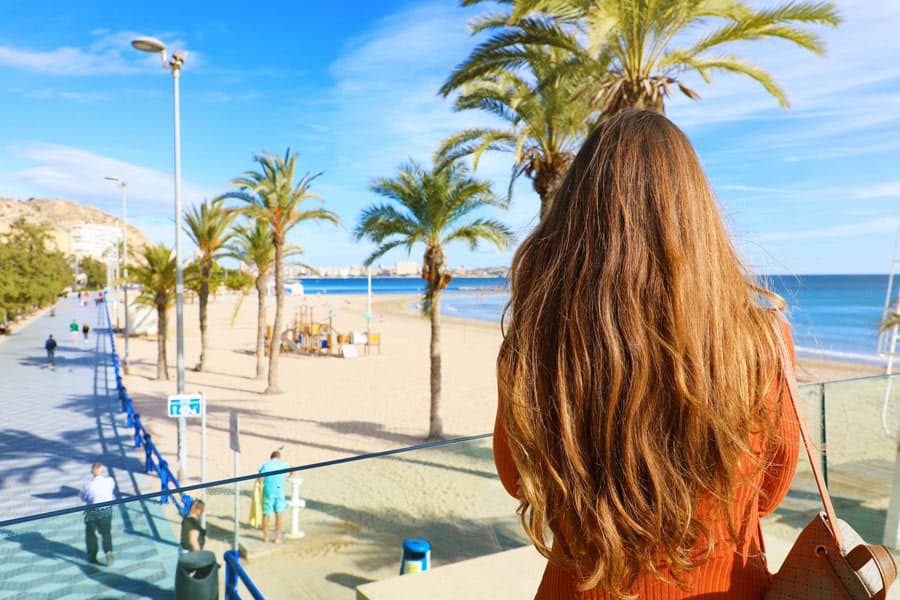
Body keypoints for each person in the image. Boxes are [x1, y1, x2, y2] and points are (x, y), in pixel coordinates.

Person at [493, 110, 800, 599]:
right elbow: (769, 495)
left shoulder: (535, 348)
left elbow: (518, 480)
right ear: (699, 220)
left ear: (574, 222)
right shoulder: (761, 344)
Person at [80, 463, 117, 566]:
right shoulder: (110, 481)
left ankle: (92, 555)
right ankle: (108, 551)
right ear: (103, 472)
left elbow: (83, 497)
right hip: (106, 509)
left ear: (92, 473)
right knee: (106, 532)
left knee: (90, 533)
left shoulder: (88, 485)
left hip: (92, 510)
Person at [257, 450, 290, 543]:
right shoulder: (283, 464)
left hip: (268, 492)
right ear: (279, 457)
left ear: (271, 457)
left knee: (266, 514)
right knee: (279, 514)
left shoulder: (266, 465)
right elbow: (292, 468)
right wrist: (289, 477)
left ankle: (265, 537)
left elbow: (260, 479)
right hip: (279, 491)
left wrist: (259, 486)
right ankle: (277, 538)